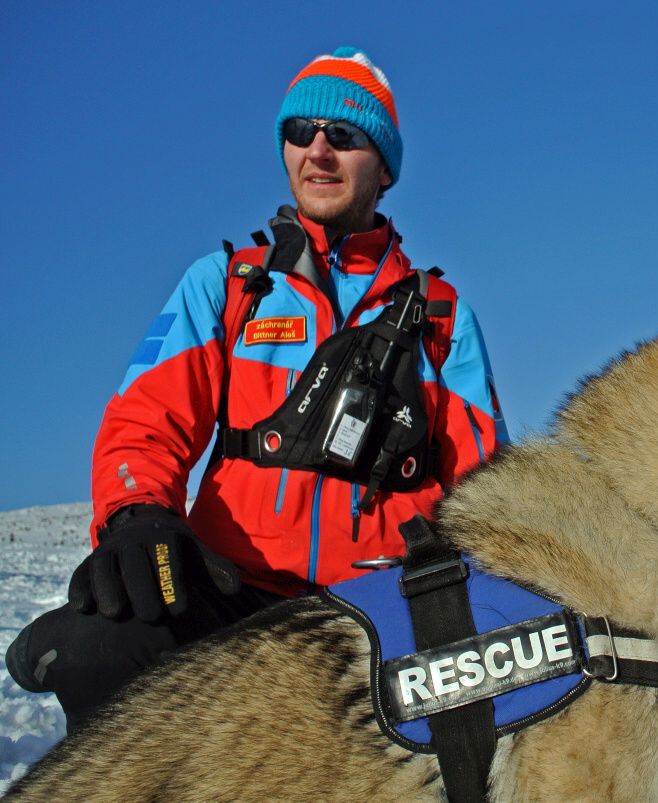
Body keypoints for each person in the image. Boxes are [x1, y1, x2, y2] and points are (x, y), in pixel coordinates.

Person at [5, 47, 507, 731]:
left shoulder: (442, 318)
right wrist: (137, 516)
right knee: (101, 646)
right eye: (301, 132)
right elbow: (145, 422)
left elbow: (487, 489)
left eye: (347, 135)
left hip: (386, 610)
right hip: (234, 592)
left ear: (383, 166)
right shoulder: (230, 284)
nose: (319, 150)